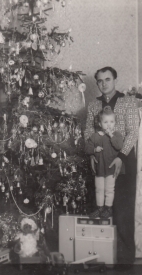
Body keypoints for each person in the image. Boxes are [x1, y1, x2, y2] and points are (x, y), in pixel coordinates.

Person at [84, 67, 139, 269]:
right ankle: (99, 256)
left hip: (123, 159)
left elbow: (133, 132)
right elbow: (88, 131)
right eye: (100, 81)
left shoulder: (128, 102)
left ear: (115, 79)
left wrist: (122, 157)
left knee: (123, 209)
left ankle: (125, 261)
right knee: (101, 204)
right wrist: (92, 154)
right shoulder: (93, 105)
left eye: (108, 79)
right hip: (100, 159)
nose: (104, 84)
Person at [85, 106, 124, 219]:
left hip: (111, 168)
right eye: (105, 122)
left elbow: (119, 146)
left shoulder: (116, 135)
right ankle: (100, 208)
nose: (109, 125)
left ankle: (108, 208)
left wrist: (111, 135)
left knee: (109, 189)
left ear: (115, 123)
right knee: (99, 189)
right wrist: (94, 150)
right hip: (99, 169)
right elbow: (87, 148)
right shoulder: (95, 136)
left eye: (111, 121)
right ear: (100, 124)